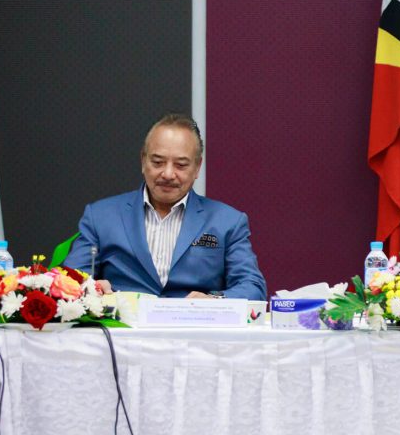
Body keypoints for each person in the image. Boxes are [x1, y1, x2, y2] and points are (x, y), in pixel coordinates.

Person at [64, 113, 267, 300]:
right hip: (124, 325)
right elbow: (69, 281)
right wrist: (94, 288)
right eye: (158, 162)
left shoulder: (227, 222)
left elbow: (253, 288)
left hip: (194, 325)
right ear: (143, 161)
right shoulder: (101, 216)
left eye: (181, 165)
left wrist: (213, 300)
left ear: (197, 167)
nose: (168, 174)